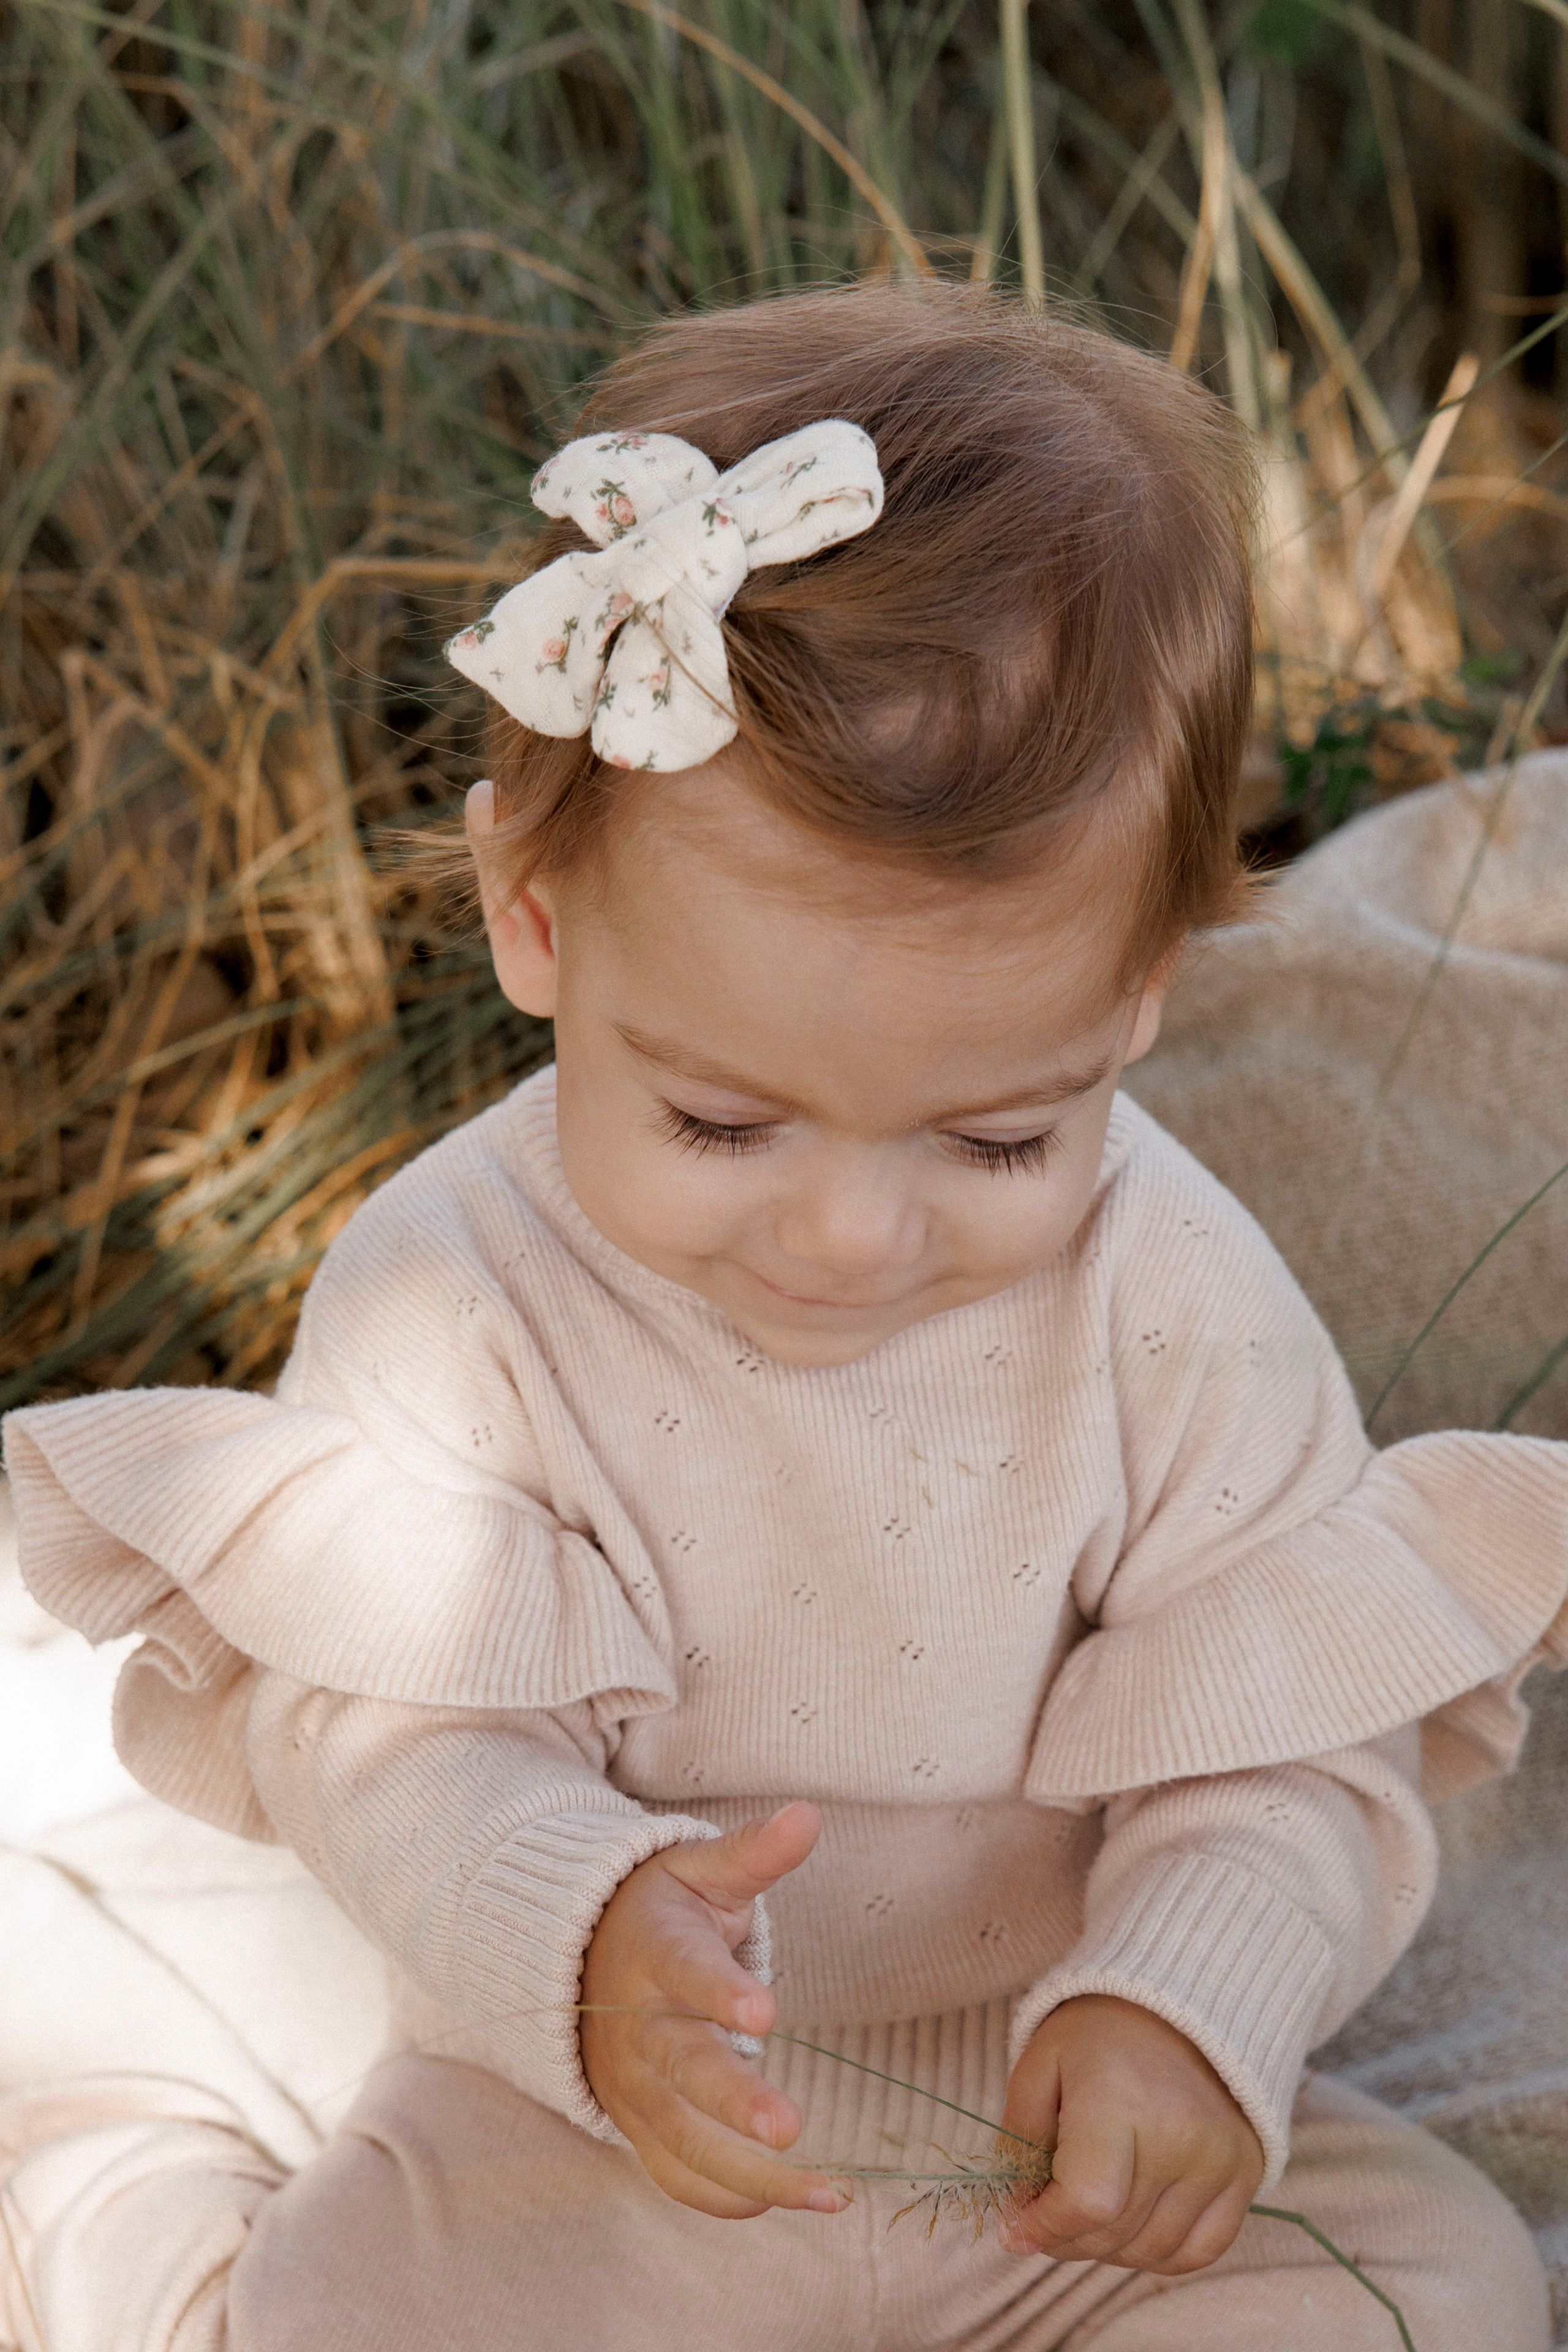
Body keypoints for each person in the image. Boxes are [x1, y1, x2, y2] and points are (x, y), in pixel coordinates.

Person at [4, 283, 1566, 2352]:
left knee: (1431, 2297)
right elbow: (378, 1724)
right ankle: (129, 2214)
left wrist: (1186, 2000)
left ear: (1143, 1000)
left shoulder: (1174, 1298)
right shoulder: (458, 1294)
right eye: (722, 1119)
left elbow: (1288, 1739)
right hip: (591, 2142)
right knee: (340, 2318)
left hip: (1035, 2133)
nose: (850, 1235)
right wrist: (575, 1931)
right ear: (533, 917)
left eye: (999, 1137)